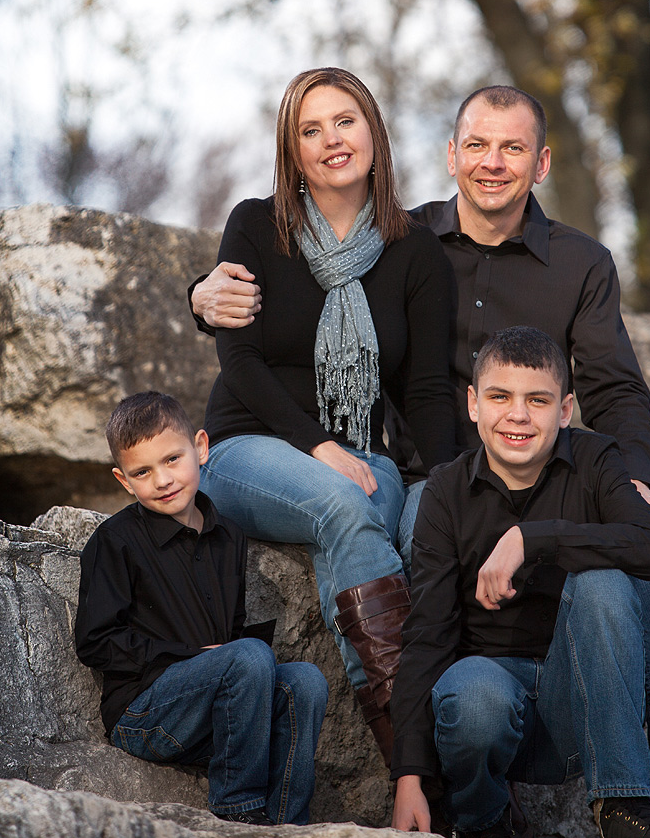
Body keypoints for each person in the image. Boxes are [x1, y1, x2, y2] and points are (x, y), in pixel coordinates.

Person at [191, 83, 650, 832]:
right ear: (450, 156)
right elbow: (278, 290)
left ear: (540, 162)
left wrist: (636, 481)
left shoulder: (579, 261)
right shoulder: (400, 238)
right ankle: (449, 754)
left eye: (512, 147)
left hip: (553, 472)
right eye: (477, 146)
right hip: (443, 470)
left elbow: (614, 388)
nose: (493, 163)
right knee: (422, 520)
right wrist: (196, 293)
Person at [193, 67, 457, 764]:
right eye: (309, 130)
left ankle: (438, 746)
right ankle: (414, 751)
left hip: (366, 455)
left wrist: (464, 487)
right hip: (247, 448)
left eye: (344, 121)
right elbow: (240, 363)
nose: (330, 140)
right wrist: (315, 444)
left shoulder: (414, 250)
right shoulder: (256, 225)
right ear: (293, 151)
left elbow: (426, 390)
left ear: (373, 130)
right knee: (344, 502)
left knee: (377, 506)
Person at [390, 327, 650, 838]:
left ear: (564, 410)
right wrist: (409, 779)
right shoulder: (445, 490)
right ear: (472, 404)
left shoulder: (596, 460)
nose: (518, 414)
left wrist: (532, 539)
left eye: (538, 400)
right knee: (472, 695)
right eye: (499, 397)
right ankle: (482, 819)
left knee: (602, 580)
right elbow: (426, 637)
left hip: (583, 703)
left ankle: (623, 807)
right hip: (491, 702)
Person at [75, 391, 328, 825]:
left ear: (202, 448)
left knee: (304, 680)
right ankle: (239, 810)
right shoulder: (114, 541)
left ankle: (287, 823)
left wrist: (231, 658)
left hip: (215, 712)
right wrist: (192, 656)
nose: (162, 479)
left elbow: (227, 634)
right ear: (124, 480)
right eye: (143, 471)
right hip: (145, 714)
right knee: (248, 655)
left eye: (173, 459)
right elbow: (95, 643)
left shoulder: (229, 536)